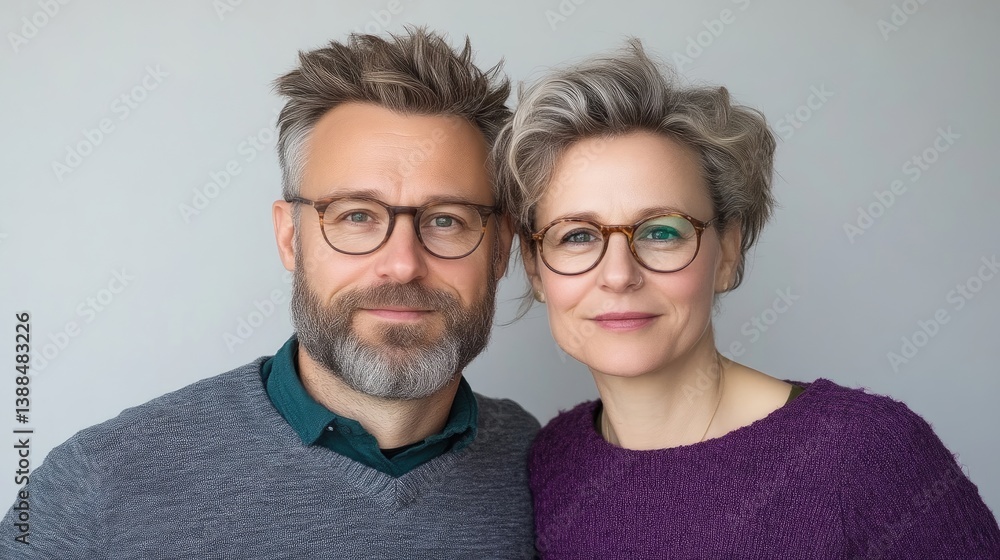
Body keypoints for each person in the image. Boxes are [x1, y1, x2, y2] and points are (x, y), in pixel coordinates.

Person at [2, 28, 539, 559]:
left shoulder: (541, 468)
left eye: (446, 220)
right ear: (289, 237)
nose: (402, 265)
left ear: (500, 249)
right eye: (355, 216)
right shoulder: (96, 487)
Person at [493, 39, 1000, 559]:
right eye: (577, 235)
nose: (619, 275)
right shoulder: (550, 462)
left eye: (662, 232)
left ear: (728, 252)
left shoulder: (866, 453)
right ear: (534, 267)